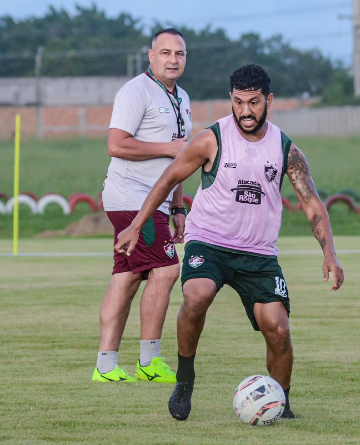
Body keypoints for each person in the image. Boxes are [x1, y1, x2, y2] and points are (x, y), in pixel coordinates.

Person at [114, 64, 344, 420]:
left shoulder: (286, 149)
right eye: (238, 102)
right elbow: (168, 177)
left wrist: (330, 253)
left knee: (279, 329)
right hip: (209, 243)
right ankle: (185, 378)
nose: (245, 111)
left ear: (269, 100)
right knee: (197, 294)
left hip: (259, 254)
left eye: (253, 103)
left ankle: (280, 405)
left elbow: (312, 204)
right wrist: (135, 225)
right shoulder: (212, 139)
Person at [92, 28, 191, 383]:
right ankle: (149, 363)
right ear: (151, 56)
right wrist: (167, 148)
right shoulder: (136, 90)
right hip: (132, 196)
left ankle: (105, 366)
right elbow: (116, 145)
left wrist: (178, 208)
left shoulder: (181, 97)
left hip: (157, 201)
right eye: (165, 53)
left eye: (178, 53)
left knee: (128, 275)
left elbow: (180, 159)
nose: (172, 60)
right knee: (165, 270)